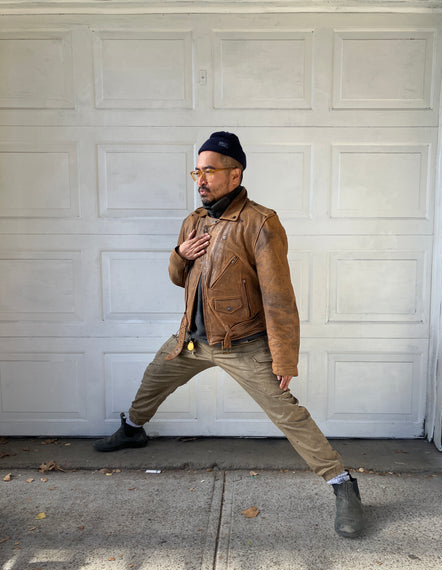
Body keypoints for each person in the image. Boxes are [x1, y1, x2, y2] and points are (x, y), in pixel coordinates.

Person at [93, 131, 364, 538]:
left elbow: (278, 296)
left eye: (210, 171)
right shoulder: (195, 221)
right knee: (152, 381)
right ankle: (133, 429)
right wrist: (178, 256)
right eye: (196, 171)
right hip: (192, 341)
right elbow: (177, 278)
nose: (201, 180)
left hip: (245, 346)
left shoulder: (260, 222)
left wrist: (283, 357)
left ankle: (343, 484)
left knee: (289, 415)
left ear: (235, 175)